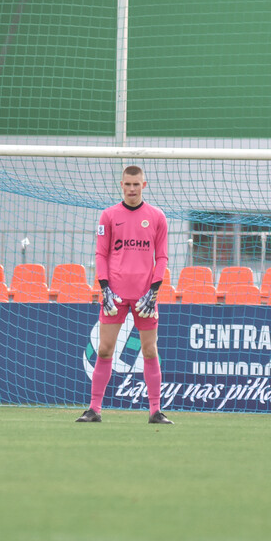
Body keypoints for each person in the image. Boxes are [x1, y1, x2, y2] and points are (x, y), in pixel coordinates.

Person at [77, 165, 171, 424]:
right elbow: (101, 254)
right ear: (121, 184)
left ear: (144, 184)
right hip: (114, 295)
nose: (132, 189)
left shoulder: (157, 216)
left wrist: (154, 291)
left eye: (136, 184)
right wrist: (104, 287)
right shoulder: (108, 215)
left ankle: (155, 411)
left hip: (145, 297)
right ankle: (94, 409)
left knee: (150, 351)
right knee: (105, 350)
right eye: (128, 184)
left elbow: (161, 257)